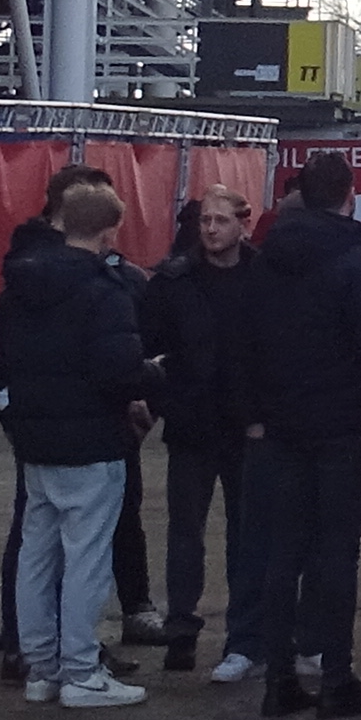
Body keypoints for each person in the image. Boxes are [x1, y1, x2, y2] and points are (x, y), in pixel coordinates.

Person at [236, 150, 361, 719]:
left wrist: (256, 411)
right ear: (350, 195)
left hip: (283, 424)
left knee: (284, 551)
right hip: (342, 426)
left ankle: (278, 677)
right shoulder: (358, 262)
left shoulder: (265, 260)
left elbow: (248, 341)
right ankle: (336, 676)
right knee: (337, 552)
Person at [0, 174, 158, 707]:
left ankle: (41, 669)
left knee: (36, 554)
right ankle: (83, 671)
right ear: (110, 233)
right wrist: (154, 375)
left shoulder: (18, 286)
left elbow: (6, 362)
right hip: (91, 437)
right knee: (87, 557)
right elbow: (118, 373)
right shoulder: (104, 291)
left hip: (36, 436)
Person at [141, 185, 263, 673]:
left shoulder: (261, 276)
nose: (211, 229)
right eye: (205, 221)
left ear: (242, 224)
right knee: (185, 532)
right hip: (192, 426)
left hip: (245, 427)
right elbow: (151, 352)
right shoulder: (174, 281)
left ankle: (244, 636)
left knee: (246, 533)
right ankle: (182, 630)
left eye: (221, 220)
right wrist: (163, 403)